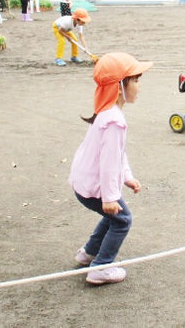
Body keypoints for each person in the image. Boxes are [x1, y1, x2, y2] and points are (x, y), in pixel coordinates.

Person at [69, 52, 152, 285]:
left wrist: (127, 176)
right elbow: (107, 163)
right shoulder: (114, 120)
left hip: (84, 181)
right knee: (122, 219)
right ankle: (101, 267)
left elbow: (117, 155)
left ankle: (88, 253)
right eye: (135, 80)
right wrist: (110, 196)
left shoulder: (107, 113)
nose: (139, 86)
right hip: (95, 186)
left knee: (113, 215)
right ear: (119, 87)